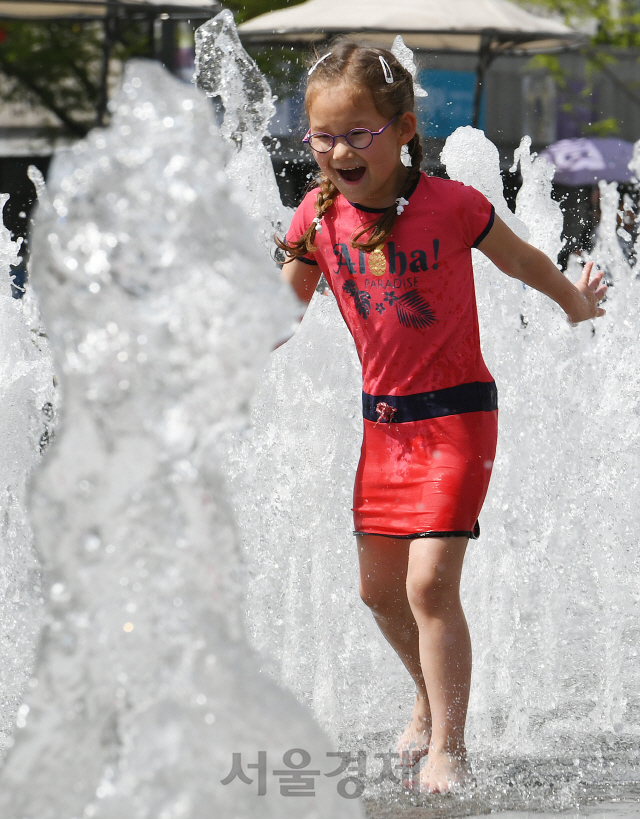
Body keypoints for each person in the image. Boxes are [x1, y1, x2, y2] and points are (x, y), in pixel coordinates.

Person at [277, 41, 606, 794]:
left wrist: (574, 303)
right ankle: (427, 693)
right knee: (379, 591)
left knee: (428, 585)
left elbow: (522, 261)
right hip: (383, 426)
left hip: (459, 416)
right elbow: (277, 315)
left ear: (401, 128)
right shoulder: (314, 219)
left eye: (357, 132)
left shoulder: (453, 205)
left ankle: (449, 746)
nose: (337, 151)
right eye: (322, 136)